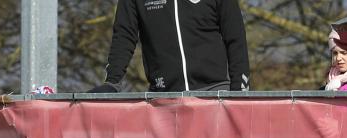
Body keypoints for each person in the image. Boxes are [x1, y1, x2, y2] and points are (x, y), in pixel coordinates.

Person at [91, 0, 250, 92]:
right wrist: (112, 82)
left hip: (214, 94)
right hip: (163, 100)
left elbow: (235, 37)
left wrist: (239, 92)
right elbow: (124, 36)